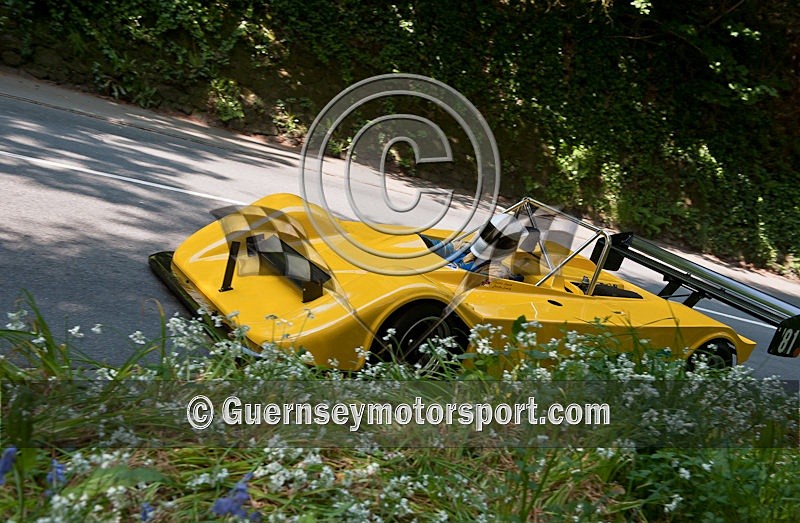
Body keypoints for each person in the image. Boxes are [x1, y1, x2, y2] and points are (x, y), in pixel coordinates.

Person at [434, 214, 528, 280]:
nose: (492, 241)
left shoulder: (496, 272)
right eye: (490, 234)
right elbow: (434, 245)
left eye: (498, 240)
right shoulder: (463, 248)